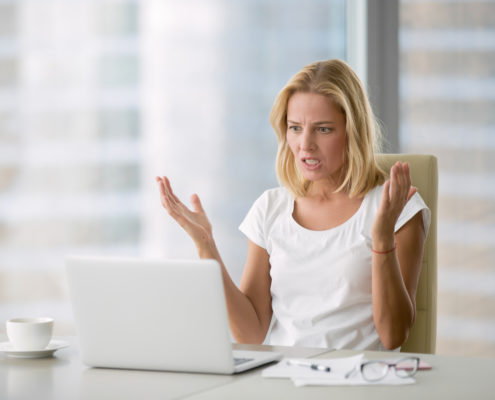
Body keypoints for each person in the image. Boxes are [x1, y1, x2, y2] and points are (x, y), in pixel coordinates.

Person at [156, 59, 430, 351]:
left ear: (353, 131)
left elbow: (393, 336)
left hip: (357, 382)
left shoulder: (395, 207)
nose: (305, 144)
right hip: (282, 378)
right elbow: (250, 334)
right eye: (295, 128)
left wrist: (383, 236)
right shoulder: (270, 207)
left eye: (323, 129)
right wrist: (206, 246)